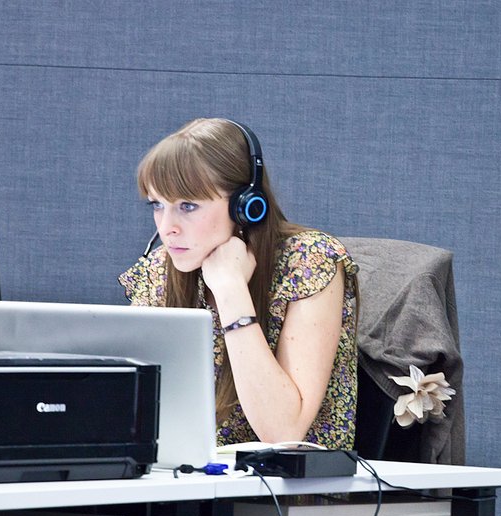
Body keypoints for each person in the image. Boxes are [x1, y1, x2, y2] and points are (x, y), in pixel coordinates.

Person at [118, 118, 358, 450]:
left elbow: (283, 433)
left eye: (187, 206)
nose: (167, 228)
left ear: (246, 206)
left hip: (287, 493)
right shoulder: (161, 268)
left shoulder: (309, 261)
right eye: (158, 205)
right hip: (187, 483)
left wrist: (231, 289)